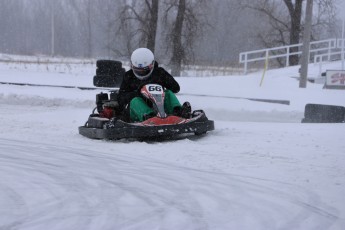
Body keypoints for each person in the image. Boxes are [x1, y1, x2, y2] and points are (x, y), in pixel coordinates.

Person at [118, 47, 191, 122]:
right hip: (137, 113)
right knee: (135, 101)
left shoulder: (159, 73)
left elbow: (176, 88)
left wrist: (165, 79)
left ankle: (178, 112)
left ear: (151, 65)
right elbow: (120, 98)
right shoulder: (129, 76)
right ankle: (149, 117)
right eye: (138, 70)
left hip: (160, 106)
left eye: (144, 70)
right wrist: (138, 93)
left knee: (168, 93)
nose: (141, 73)